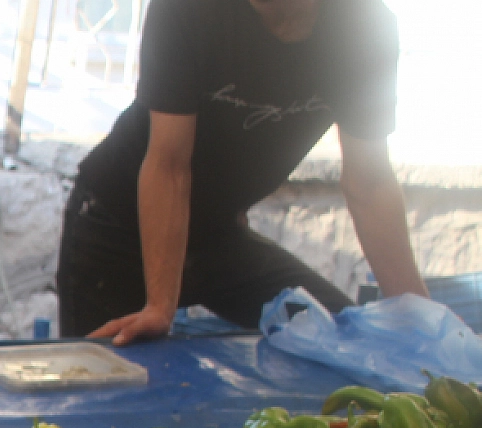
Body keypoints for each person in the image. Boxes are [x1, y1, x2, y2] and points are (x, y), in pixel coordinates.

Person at [56, 0, 427, 344]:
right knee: (103, 386)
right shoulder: (187, 9)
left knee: (344, 339)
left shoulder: (366, 27)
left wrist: (418, 316)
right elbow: (169, 165)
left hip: (218, 233)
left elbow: (370, 183)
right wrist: (159, 306)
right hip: (116, 227)